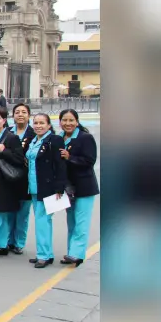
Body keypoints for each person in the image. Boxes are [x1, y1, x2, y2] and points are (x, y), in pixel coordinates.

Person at [24, 113, 68, 268]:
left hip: (47, 187)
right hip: (34, 186)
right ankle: (45, 253)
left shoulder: (54, 140)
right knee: (41, 221)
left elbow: (60, 164)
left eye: (42, 123)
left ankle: (44, 255)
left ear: (49, 125)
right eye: (35, 123)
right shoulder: (34, 140)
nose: (38, 126)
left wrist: (59, 187)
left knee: (43, 221)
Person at [0, 107, 26, 259]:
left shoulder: (10, 138)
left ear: (4, 120)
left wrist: (4, 151)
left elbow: (20, 160)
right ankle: (2, 244)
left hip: (3, 183)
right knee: (0, 214)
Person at [59, 109, 99, 266]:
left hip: (84, 187)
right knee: (72, 222)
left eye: (71, 120)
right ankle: (72, 253)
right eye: (64, 120)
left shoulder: (85, 138)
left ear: (77, 121)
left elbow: (89, 161)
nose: (67, 123)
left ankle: (77, 254)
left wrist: (70, 158)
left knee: (81, 223)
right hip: (68, 189)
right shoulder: (59, 138)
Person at [6, 103, 36, 254]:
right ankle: (8, 240)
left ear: (29, 115)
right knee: (9, 210)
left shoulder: (34, 133)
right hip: (9, 176)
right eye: (17, 112)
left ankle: (19, 242)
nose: (20, 115)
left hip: (26, 179)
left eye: (24, 112)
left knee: (23, 213)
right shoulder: (7, 131)